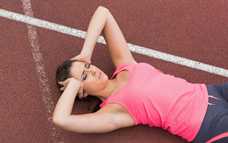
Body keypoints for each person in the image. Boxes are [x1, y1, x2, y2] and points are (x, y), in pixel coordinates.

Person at [53, 6, 228, 143]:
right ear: (82, 92)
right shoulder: (113, 112)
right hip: (209, 124)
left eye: (87, 67)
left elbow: (103, 13)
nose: (91, 70)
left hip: (213, 92)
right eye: (84, 76)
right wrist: (73, 86)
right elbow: (61, 120)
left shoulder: (124, 65)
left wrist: (85, 54)